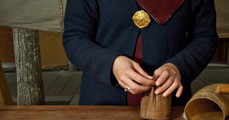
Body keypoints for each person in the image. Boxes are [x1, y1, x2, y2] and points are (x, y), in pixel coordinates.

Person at [63, 0, 219, 106]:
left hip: (171, 108)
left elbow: (205, 37)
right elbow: (75, 38)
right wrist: (112, 64)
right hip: (101, 105)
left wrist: (178, 67)